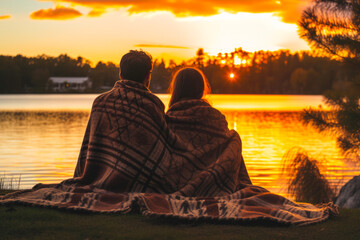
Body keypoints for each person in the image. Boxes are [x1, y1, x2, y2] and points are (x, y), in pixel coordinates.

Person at [165, 67, 252, 196]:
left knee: (233, 139)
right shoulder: (216, 118)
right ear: (201, 90)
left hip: (177, 183)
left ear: (176, 90)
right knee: (233, 139)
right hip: (215, 184)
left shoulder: (168, 119)